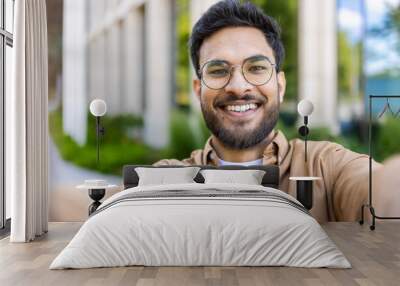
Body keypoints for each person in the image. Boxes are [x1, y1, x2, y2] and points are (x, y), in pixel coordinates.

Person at [154, 0, 400, 222]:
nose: (239, 87)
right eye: (218, 70)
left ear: (280, 86)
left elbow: (379, 188)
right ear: (198, 90)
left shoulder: (327, 167)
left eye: (257, 67)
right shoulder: (166, 178)